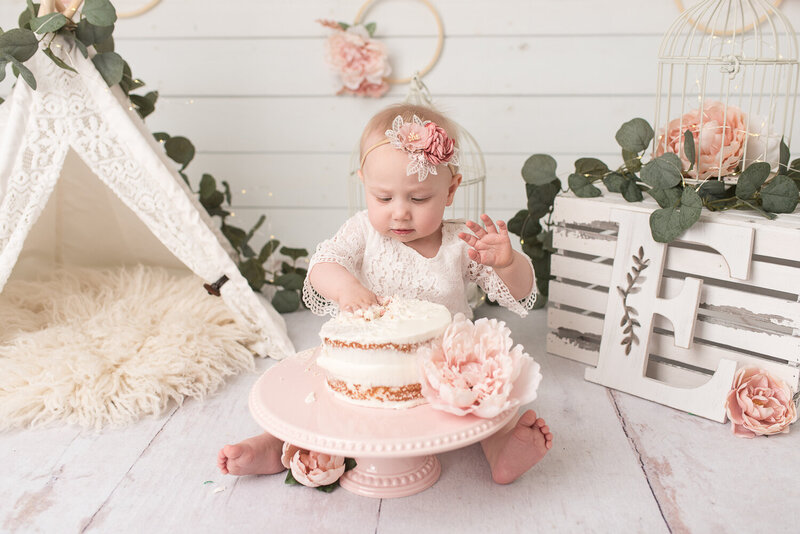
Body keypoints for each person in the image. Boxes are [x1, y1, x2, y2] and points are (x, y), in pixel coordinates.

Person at [217, 103, 553, 484]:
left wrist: (507, 263)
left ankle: (501, 451)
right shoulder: (363, 232)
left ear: (451, 190)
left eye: (419, 198)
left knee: (488, 402)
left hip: (445, 369)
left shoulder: (459, 242)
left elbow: (520, 293)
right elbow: (323, 265)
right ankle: (275, 444)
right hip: (367, 365)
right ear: (364, 184)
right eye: (383, 197)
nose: (400, 213)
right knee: (320, 395)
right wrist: (346, 287)